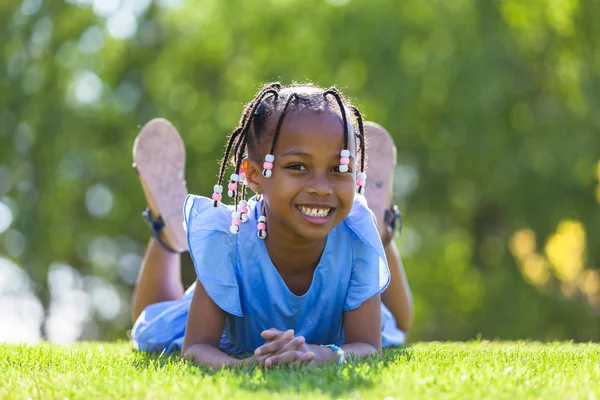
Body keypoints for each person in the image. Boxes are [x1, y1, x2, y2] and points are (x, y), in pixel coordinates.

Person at [130, 83, 413, 368]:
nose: (321, 188)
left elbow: (368, 346)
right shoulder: (228, 239)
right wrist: (243, 366)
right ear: (254, 176)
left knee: (395, 325)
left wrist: (322, 355)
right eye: (297, 166)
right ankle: (166, 234)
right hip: (229, 322)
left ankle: (382, 231)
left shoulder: (354, 237)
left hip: (349, 266)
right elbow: (196, 347)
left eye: (340, 169)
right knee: (154, 328)